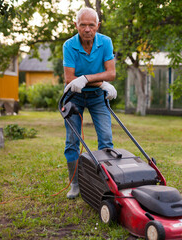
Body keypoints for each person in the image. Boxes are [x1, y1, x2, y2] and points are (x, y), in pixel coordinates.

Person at [63, 7, 117, 199]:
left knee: (106, 139)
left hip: (96, 96)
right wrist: (98, 79)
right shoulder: (69, 45)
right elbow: (70, 79)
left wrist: (87, 79)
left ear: (98, 26)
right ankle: (75, 184)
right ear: (76, 25)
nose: (87, 29)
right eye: (83, 25)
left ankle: (106, 183)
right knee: (72, 141)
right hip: (74, 96)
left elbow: (111, 73)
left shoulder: (105, 42)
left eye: (91, 25)